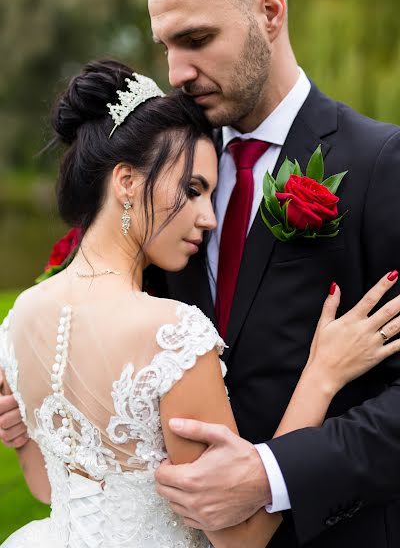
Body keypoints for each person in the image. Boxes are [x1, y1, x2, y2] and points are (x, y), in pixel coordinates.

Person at [1, 59, 400, 548]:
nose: (209, 217)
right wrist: (322, 374)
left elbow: (49, 488)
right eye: (192, 191)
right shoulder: (171, 333)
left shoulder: (22, 315)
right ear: (125, 182)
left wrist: (22, 435)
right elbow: (242, 537)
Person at [144, 0, 400, 546]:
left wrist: (272, 473)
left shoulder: (379, 163)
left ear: (270, 12)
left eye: (198, 38)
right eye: (166, 48)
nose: (178, 72)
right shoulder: (164, 169)